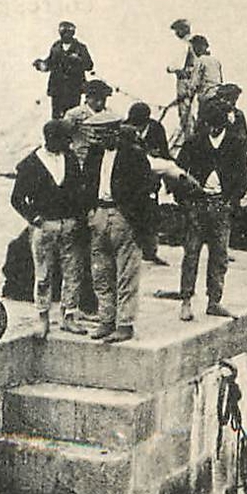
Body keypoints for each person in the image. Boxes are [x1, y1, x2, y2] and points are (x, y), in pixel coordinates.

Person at [78, 110, 162, 343]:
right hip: (99, 213)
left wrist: (134, 220)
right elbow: (88, 182)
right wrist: (91, 211)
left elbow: (145, 191)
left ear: (114, 131)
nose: (97, 138)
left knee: (126, 273)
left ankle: (125, 323)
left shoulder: (134, 155)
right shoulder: (95, 154)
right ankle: (106, 319)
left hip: (122, 216)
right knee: (101, 271)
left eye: (102, 133)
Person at [176, 98, 247, 321]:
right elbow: (178, 173)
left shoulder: (235, 144)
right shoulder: (194, 142)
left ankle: (214, 301)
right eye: (209, 123)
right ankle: (186, 300)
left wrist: (232, 200)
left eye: (217, 124)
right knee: (191, 253)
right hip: (197, 205)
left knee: (220, 255)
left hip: (221, 205)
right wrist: (184, 201)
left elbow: (244, 177)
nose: (213, 128)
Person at [11, 119, 86, 338]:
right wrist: (34, 218)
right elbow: (16, 199)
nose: (69, 144)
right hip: (45, 226)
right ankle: (43, 318)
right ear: (51, 139)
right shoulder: (30, 164)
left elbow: (78, 189)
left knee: (73, 272)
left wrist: (78, 219)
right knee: (43, 275)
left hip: (69, 224)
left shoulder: (70, 159)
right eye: (65, 139)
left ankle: (68, 316)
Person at [124, 101, 171, 265]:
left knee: (151, 214)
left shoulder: (156, 129)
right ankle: (132, 250)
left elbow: (165, 153)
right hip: (131, 180)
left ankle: (150, 251)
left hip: (151, 178)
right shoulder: (125, 128)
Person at [33, 20, 95, 119]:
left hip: (74, 88)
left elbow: (89, 65)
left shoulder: (80, 48)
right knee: (57, 115)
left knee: (73, 114)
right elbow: (50, 63)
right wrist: (41, 65)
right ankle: (57, 134)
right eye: (63, 32)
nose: (65, 35)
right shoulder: (56, 47)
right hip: (57, 87)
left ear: (72, 33)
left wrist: (78, 60)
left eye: (68, 32)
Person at [63, 80, 115, 160]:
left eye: (103, 99)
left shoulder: (110, 114)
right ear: (87, 98)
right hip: (81, 156)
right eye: (96, 99)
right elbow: (64, 135)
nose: (100, 103)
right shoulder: (74, 114)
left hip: (103, 157)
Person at [166, 18, 198, 145]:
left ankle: (189, 142)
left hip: (184, 82)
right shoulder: (195, 44)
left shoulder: (185, 45)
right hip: (193, 82)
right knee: (191, 112)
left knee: (185, 113)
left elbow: (174, 66)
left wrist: (171, 69)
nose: (175, 34)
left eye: (177, 30)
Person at [190, 35, 223, 114]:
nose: (194, 50)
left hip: (206, 96)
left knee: (200, 123)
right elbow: (221, 80)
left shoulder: (200, 61)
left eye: (195, 47)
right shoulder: (216, 61)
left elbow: (194, 83)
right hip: (218, 94)